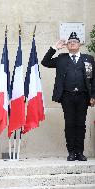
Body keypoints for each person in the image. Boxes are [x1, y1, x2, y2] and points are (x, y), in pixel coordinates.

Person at [41, 32, 95, 161]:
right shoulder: (61, 58)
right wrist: (54, 48)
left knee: (81, 124)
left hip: (83, 96)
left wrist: (93, 95)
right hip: (67, 96)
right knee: (70, 124)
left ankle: (79, 152)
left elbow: (93, 79)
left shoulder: (88, 59)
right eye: (69, 42)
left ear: (79, 44)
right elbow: (45, 62)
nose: (72, 43)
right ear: (66, 46)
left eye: (74, 42)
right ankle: (71, 152)